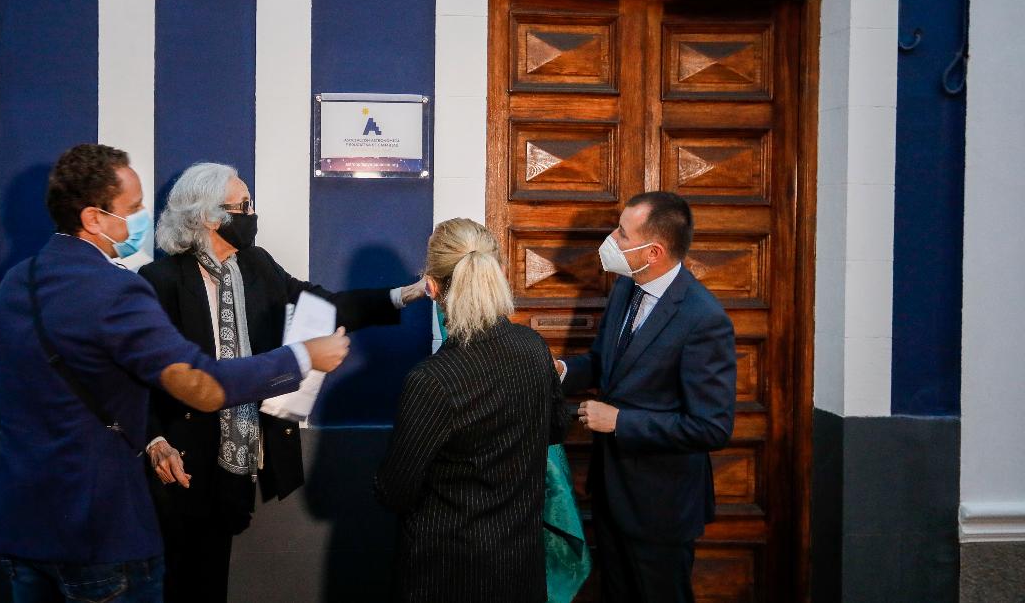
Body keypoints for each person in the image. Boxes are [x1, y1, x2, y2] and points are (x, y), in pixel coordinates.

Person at [0, 144, 350, 603]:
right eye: (132, 208)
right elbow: (203, 386)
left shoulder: (17, 283)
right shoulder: (119, 291)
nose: (142, 218)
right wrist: (301, 358)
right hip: (99, 532)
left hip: (22, 527)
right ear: (93, 218)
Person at [137, 162, 427, 603]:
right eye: (244, 206)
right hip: (184, 462)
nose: (252, 214)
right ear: (210, 217)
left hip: (241, 454)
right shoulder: (161, 281)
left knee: (214, 576)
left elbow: (326, 306)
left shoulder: (258, 265)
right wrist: (154, 439)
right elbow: (141, 372)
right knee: (180, 581)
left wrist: (405, 294)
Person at [375, 218, 568, 603]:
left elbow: (394, 492)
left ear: (432, 287)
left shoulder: (432, 380)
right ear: (497, 273)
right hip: (520, 569)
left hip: (446, 575)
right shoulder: (533, 346)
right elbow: (556, 431)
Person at [556, 191, 736, 603]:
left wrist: (620, 421)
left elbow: (711, 427)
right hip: (611, 494)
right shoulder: (626, 288)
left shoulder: (704, 319)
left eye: (622, 233)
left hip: (661, 508)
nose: (611, 239)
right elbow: (604, 363)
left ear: (653, 252)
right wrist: (562, 371)